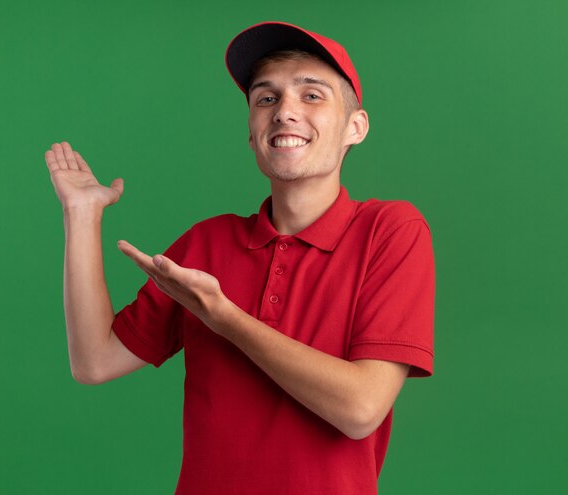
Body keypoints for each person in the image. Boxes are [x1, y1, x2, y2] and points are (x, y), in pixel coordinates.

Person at [44, 21, 434, 495]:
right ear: (251, 133)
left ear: (355, 127)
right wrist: (81, 216)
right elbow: (94, 361)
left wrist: (224, 317)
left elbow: (360, 410)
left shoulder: (389, 231)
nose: (285, 112)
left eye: (312, 95)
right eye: (266, 99)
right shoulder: (207, 244)